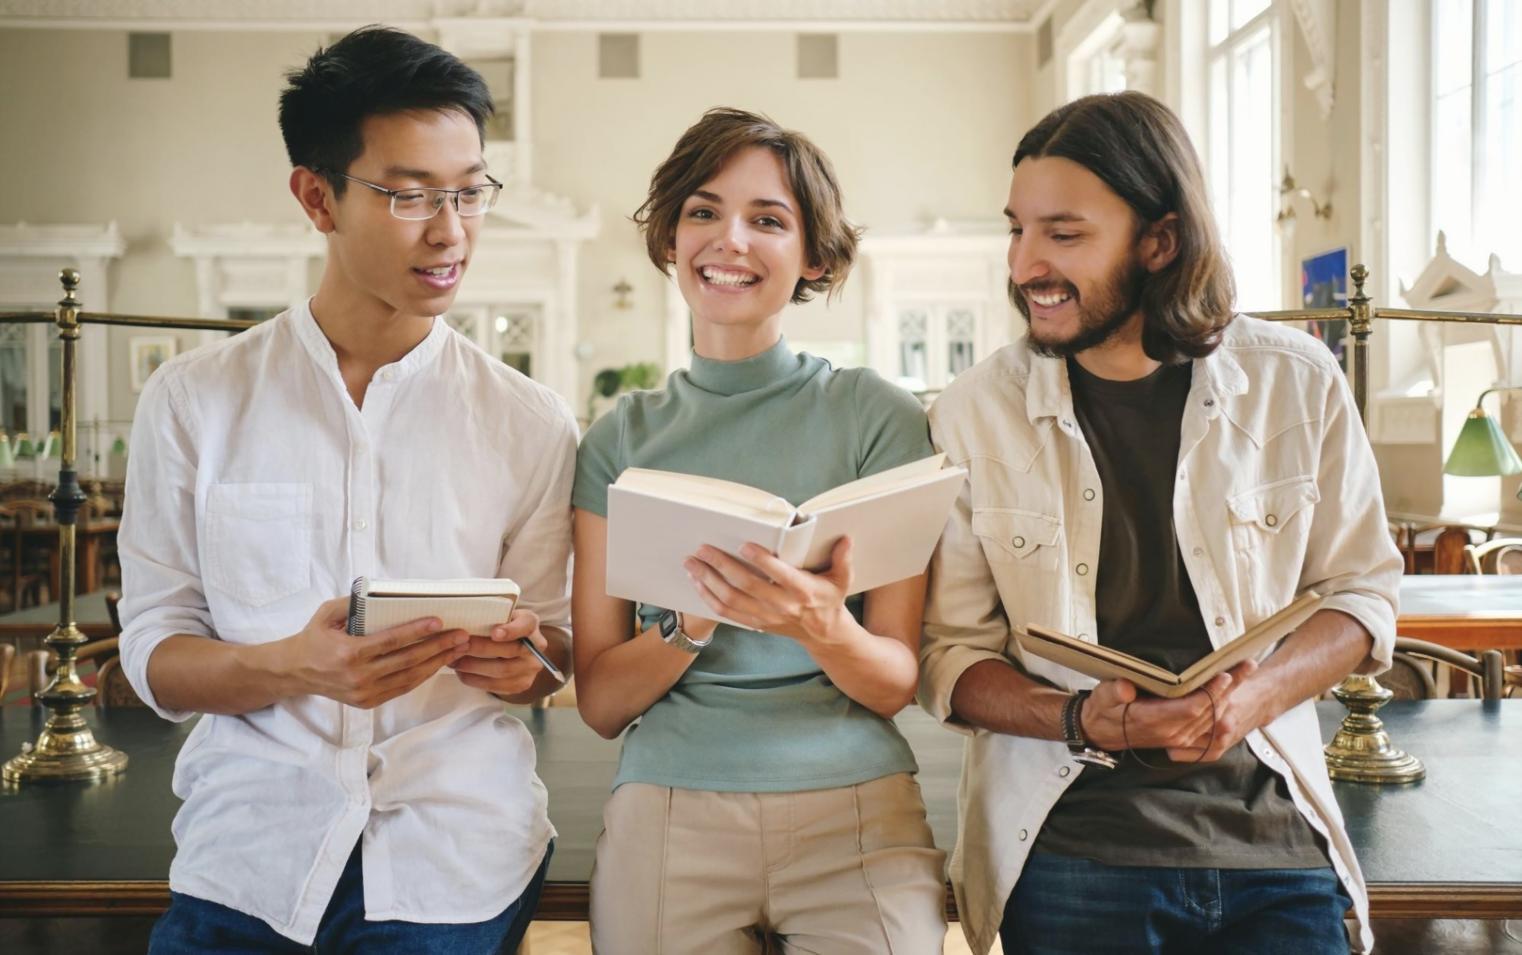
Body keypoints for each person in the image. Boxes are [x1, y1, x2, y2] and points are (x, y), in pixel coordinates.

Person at [118, 26, 577, 953]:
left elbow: (559, 642)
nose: (451, 230)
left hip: (453, 856)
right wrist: (290, 664)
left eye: (469, 191)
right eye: (410, 195)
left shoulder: (531, 422)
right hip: (248, 856)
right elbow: (155, 656)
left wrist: (533, 663)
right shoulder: (194, 402)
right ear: (316, 197)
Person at [918, 91, 1402, 955]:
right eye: (1017, 230)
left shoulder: (1297, 381)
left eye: (1063, 235)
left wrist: (1252, 697)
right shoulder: (971, 413)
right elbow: (949, 654)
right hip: (1069, 852)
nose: (1026, 263)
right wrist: (1081, 721)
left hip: (1279, 851)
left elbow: (1361, 596)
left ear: (1160, 240)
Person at [570, 107, 948, 954]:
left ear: (814, 255)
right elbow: (599, 702)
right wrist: (693, 619)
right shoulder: (619, 438)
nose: (728, 239)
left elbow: (892, 681)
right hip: (668, 803)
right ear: (670, 239)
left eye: (767, 219)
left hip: (857, 808)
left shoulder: (874, 416)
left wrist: (818, 624)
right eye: (702, 212)